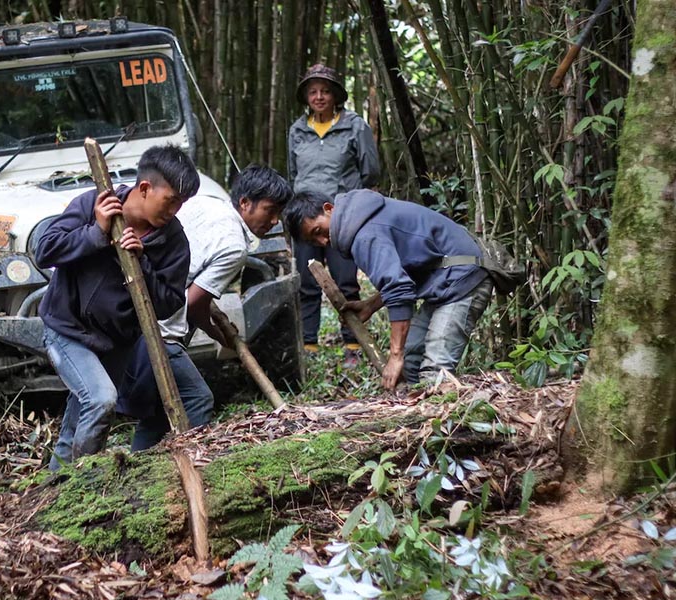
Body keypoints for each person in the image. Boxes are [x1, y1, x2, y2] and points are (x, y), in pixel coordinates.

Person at [34, 145, 198, 470]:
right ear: (146, 188)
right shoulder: (93, 204)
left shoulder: (173, 240)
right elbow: (45, 250)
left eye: (182, 203)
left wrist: (142, 264)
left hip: (115, 343)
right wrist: (95, 232)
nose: (175, 210)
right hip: (67, 329)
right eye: (172, 200)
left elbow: (168, 303)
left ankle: (53, 491)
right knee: (101, 399)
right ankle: (86, 489)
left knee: (79, 420)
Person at [118, 165, 293, 451]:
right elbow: (195, 302)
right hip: (161, 329)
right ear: (245, 203)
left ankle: (139, 464)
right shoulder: (236, 246)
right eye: (269, 210)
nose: (274, 220)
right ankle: (188, 462)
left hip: (133, 317)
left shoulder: (203, 204)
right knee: (198, 398)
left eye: (278, 214)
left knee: (157, 411)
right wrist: (219, 334)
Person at [283, 189, 493, 391]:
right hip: (444, 280)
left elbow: (398, 290)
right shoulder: (361, 219)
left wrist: (395, 356)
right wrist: (371, 305)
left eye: (318, 231)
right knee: (412, 360)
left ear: (328, 209)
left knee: (435, 372)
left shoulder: (364, 234)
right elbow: (407, 271)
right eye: (314, 241)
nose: (323, 241)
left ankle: (448, 423)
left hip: (462, 278)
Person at [287, 63, 380, 359]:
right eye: (313, 91)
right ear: (306, 97)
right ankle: (309, 343)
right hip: (305, 218)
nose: (319, 97)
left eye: (325, 91)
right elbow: (293, 173)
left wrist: (349, 201)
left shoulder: (354, 126)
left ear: (336, 95)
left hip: (341, 218)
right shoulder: (297, 130)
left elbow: (371, 170)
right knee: (306, 281)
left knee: (345, 280)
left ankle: (353, 343)